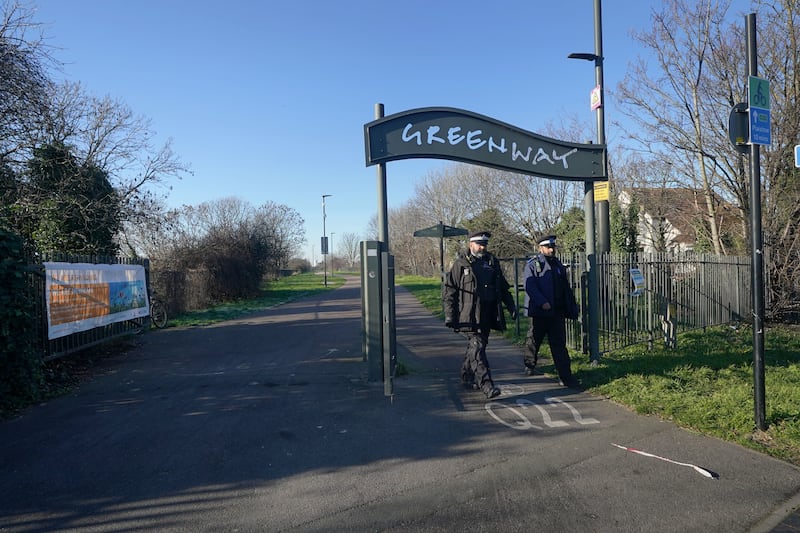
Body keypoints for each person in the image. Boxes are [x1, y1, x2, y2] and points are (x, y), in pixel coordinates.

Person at [443, 230, 517, 399]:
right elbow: (450, 291)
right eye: (479, 244)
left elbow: (503, 288)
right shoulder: (461, 264)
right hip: (469, 314)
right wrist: (450, 315)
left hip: (488, 313)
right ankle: (486, 385)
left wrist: (511, 306)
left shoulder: (492, 262)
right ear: (471, 245)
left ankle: (466, 374)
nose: (482, 247)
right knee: (477, 348)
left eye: (485, 244)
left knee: (477, 346)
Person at [523, 235, 580, 388]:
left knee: (559, 345)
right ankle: (529, 363)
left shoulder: (558, 265)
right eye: (548, 247)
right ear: (540, 248)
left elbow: (565, 288)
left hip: (557, 312)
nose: (551, 250)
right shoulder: (533, 265)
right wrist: (543, 302)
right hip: (540, 312)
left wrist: (571, 306)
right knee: (534, 339)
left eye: (553, 247)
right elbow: (530, 287)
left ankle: (566, 377)